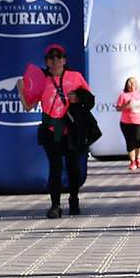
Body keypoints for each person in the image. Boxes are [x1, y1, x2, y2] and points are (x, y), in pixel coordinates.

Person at [20, 43, 93, 219]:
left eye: (58, 57)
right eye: (51, 58)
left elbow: (90, 100)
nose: (55, 61)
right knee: (55, 168)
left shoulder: (75, 77)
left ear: (64, 60)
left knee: (73, 168)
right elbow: (28, 106)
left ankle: (74, 199)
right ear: (46, 62)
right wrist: (20, 89)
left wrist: (78, 98)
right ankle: (55, 205)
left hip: (71, 130)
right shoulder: (42, 81)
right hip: (51, 130)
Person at [117, 77, 140, 171]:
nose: (131, 86)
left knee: (137, 140)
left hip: (139, 121)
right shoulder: (123, 95)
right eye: (129, 84)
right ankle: (132, 161)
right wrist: (126, 105)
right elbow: (118, 108)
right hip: (126, 122)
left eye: (133, 84)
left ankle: (138, 158)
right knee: (129, 142)